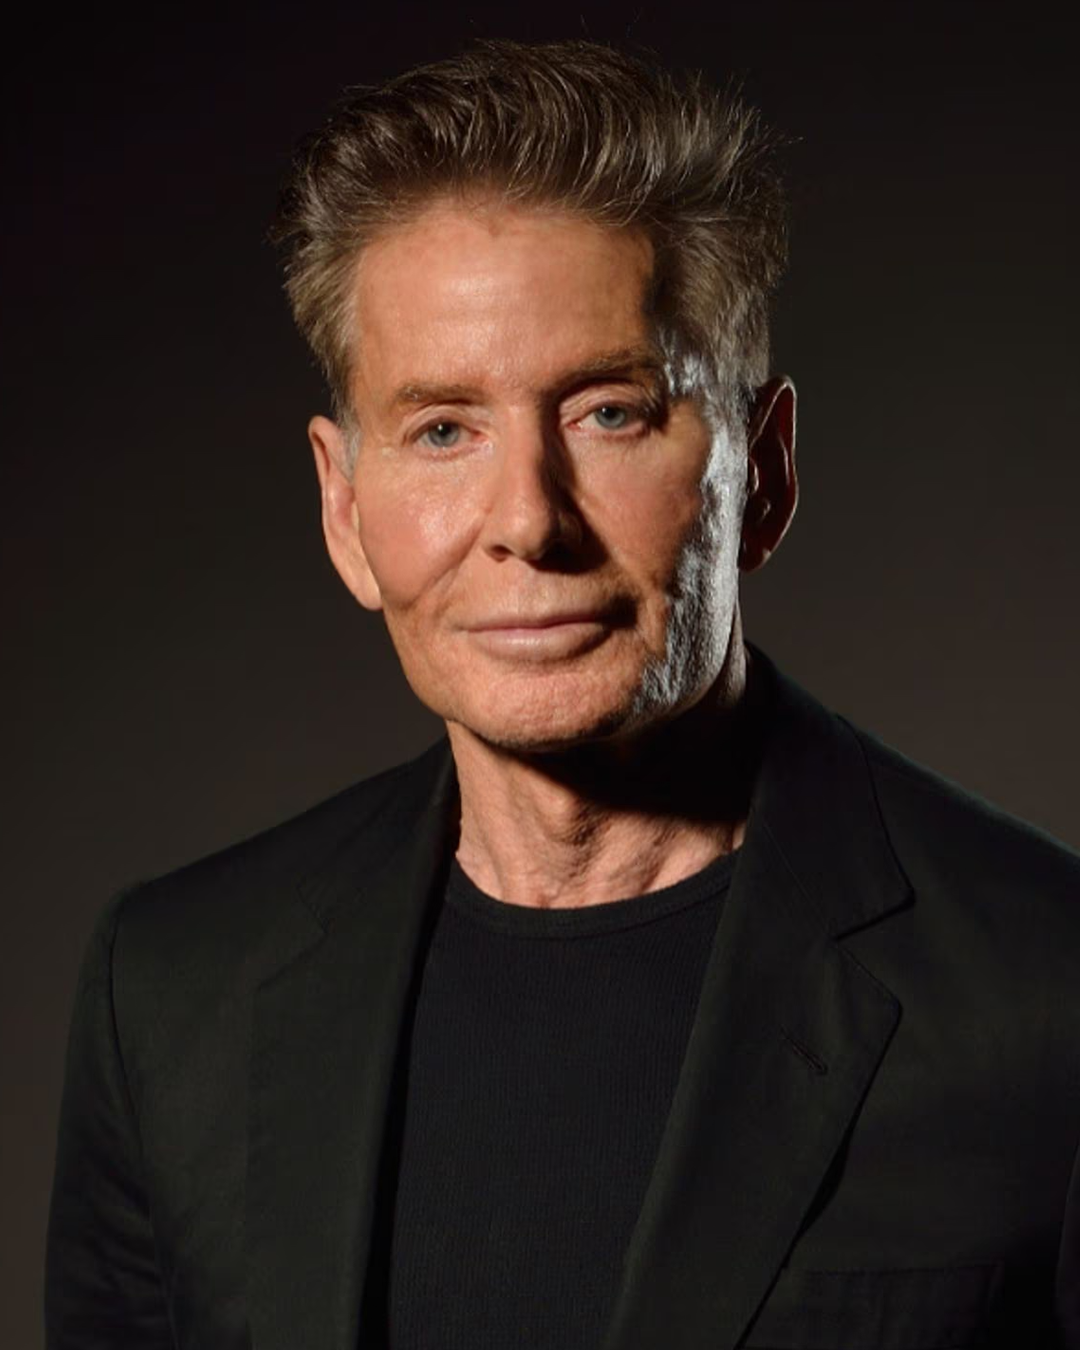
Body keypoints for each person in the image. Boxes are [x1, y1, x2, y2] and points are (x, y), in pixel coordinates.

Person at [45, 38, 1080, 1350]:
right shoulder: (170, 993)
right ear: (344, 510)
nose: (528, 520)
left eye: (610, 412)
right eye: (442, 429)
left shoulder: (1047, 994)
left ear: (762, 474)